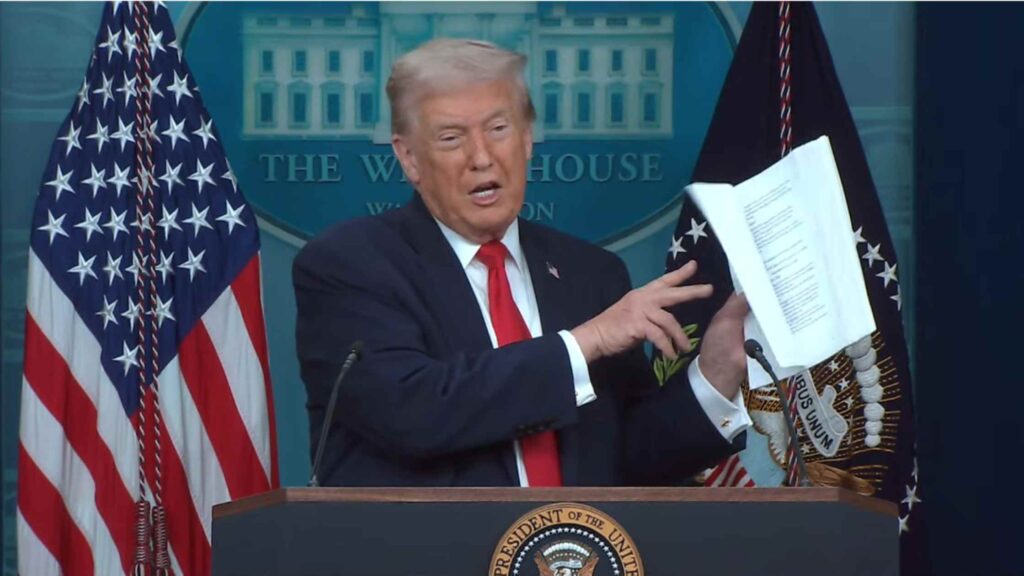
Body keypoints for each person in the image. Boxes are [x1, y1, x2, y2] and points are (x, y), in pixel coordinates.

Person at [293, 39, 752, 487]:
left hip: (578, 541)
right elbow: (412, 410)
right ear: (409, 158)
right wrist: (585, 343)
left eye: (498, 129)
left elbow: (630, 462)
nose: (481, 157)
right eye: (451, 138)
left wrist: (715, 375)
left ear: (528, 138)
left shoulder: (592, 274)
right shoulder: (350, 265)